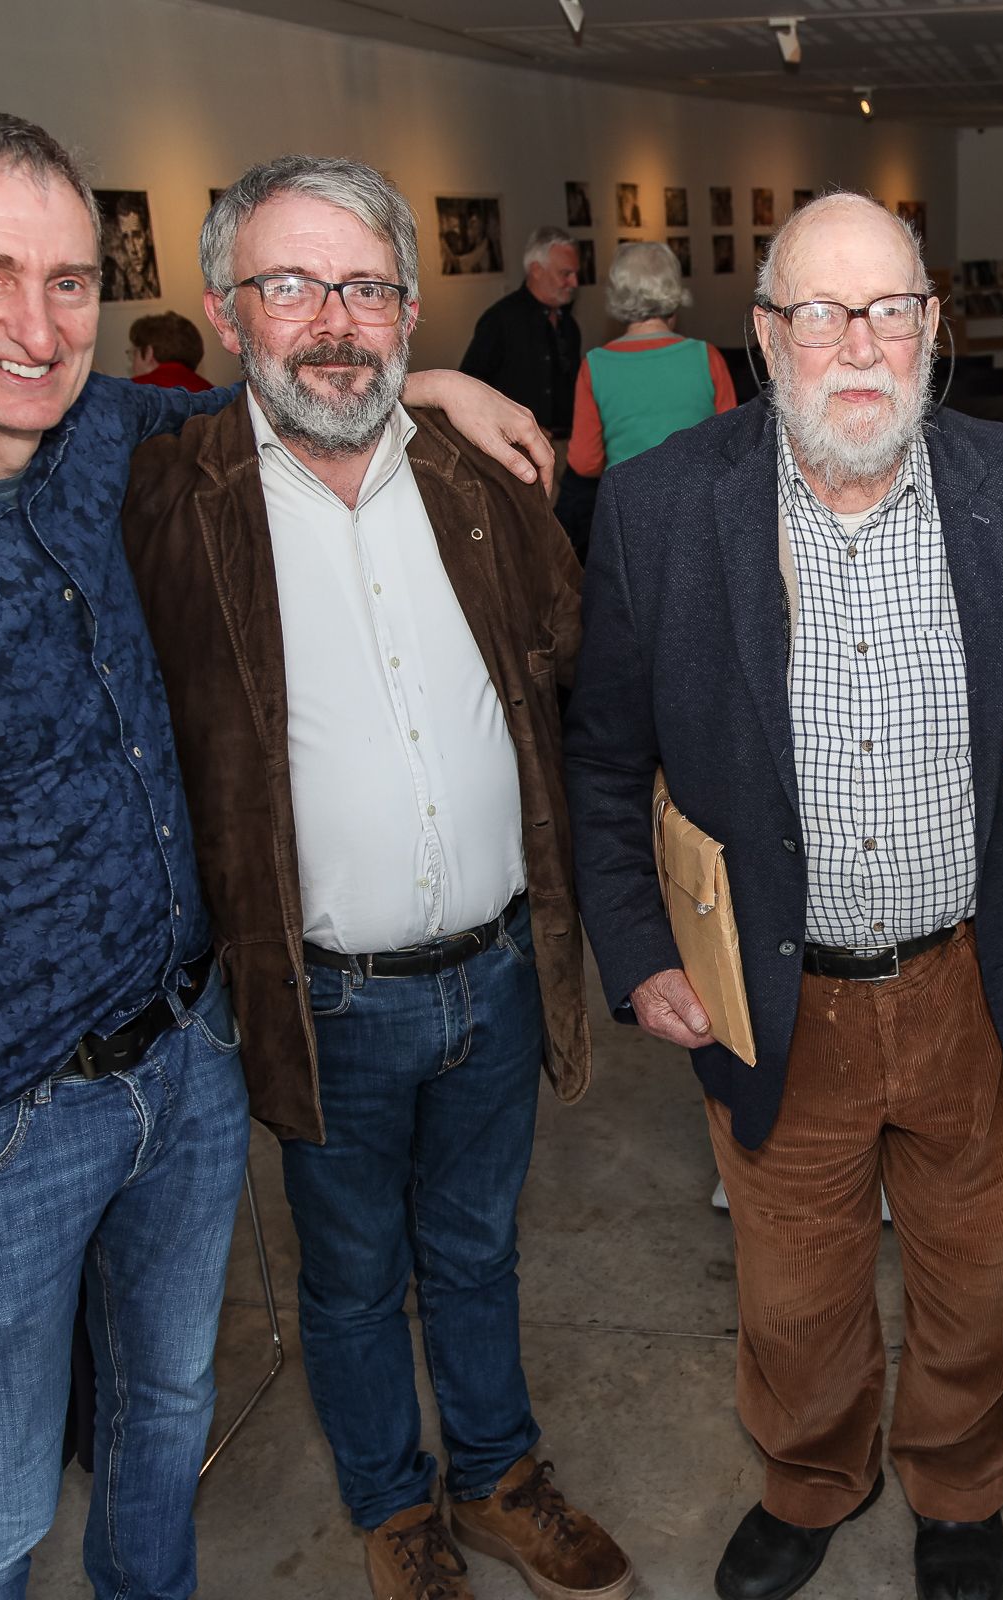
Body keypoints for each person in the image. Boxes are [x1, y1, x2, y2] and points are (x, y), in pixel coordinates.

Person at [0, 107, 552, 1600]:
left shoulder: (107, 436)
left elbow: (296, 383)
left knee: (166, 1422)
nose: (36, 327)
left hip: (186, 1066)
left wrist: (439, 380)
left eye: (70, 281)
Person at [567, 193, 1003, 1600]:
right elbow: (603, 759)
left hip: (982, 985)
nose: (859, 345)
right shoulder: (662, 509)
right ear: (763, 334)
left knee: (988, 1281)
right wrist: (637, 950)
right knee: (795, 1296)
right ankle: (811, 1477)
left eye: (891, 311)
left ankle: (960, 1485)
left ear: (932, 325)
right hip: (774, 992)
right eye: (822, 313)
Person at [121, 154, 630, 1600]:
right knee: (351, 1278)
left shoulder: (481, 477)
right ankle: (393, 1507)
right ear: (227, 310)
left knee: (476, 1248)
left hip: (499, 968)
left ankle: (498, 1476)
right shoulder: (171, 496)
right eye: (290, 285)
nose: (333, 321)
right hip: (324, 996)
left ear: (409, 310)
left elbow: (571, 662)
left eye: (364, 287)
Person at [462, 227, 593, 547]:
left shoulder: (569, 325)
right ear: (536, 270)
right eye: (565, 274)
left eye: (575, 274)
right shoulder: (500, 320)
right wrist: (515, 424)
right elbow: (470, 385)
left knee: (575, 540)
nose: (574, 283)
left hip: (570, 450)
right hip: (522, 453)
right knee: (535, 542)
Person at [566, 240, 735, 481]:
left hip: (628, 497)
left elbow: (585, 463)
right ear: (673, 289)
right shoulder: (707, 357)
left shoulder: (594, 366)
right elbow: (731, 443)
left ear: (617, 292)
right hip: (698, 494)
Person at [127, 309, 211, 391]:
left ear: (148, 353)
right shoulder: (212, 392)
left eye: (134, 353)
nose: (132, 364)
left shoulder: (133, 390)